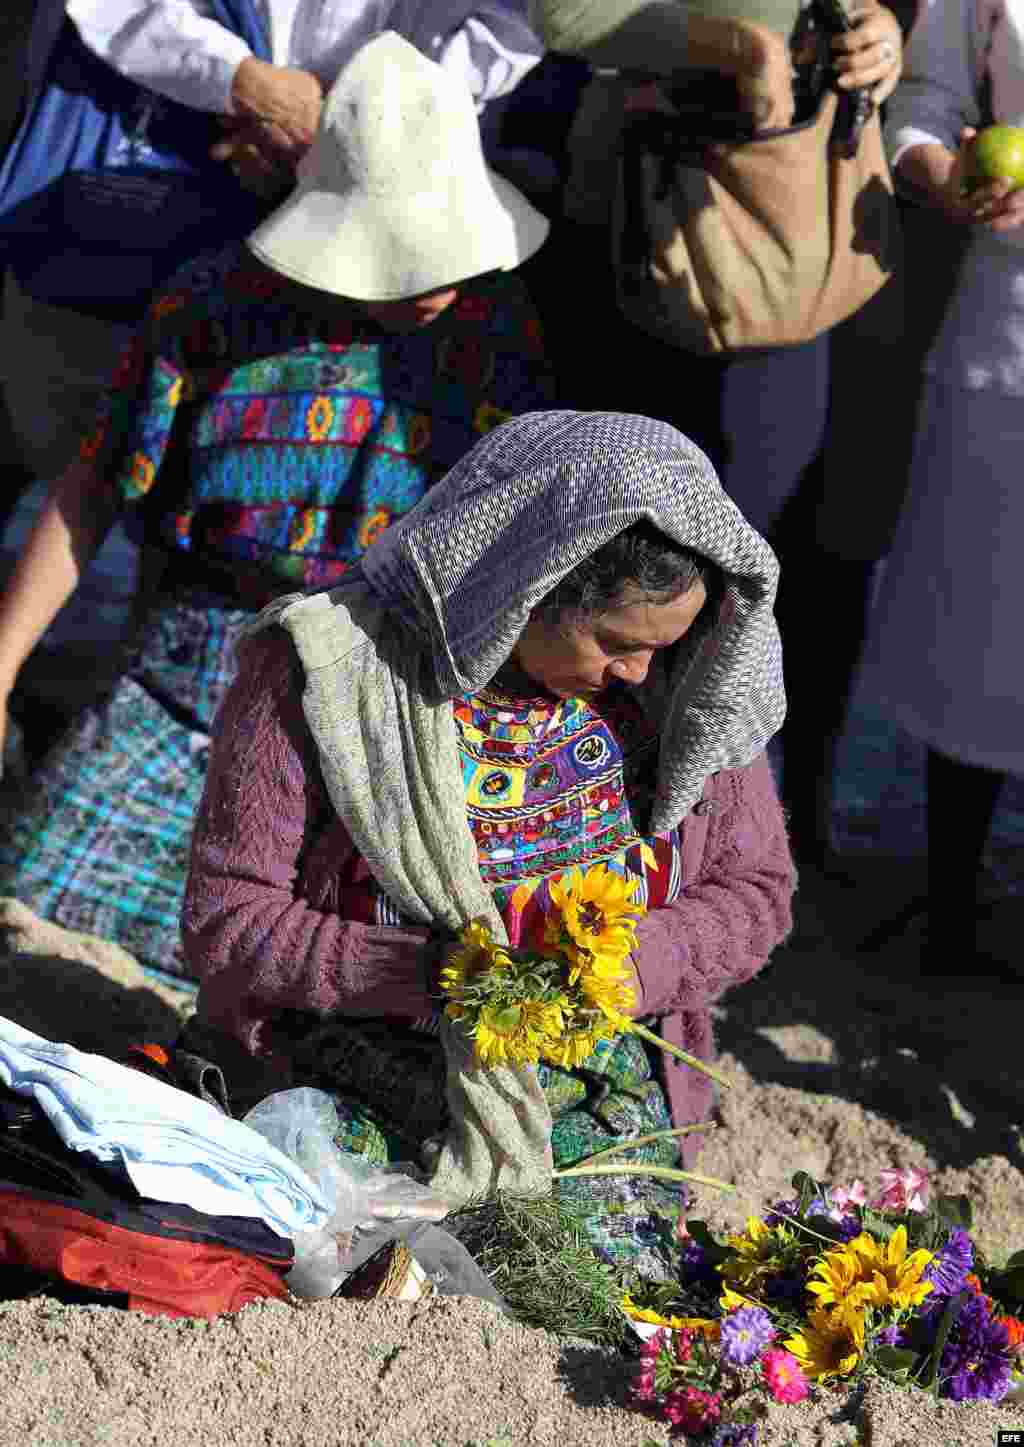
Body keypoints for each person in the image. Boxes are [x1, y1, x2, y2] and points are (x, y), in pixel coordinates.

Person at [179, 408, 797, 1273]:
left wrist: (631, 965)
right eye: (615, 643)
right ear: (523, 587)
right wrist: (428, 977)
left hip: (596, 1086)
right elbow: (227, 920)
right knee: (343, 1245)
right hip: (362, 1054)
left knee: (584, 1284)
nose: (640, 673)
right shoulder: (325, 672)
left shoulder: (687, 693)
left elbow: (756, 894)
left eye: (665, 645)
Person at [0, 33, 553, 978]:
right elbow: (93, 489)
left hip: (389, 697)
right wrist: (2, 664)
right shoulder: (211, 309)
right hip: (197, 673)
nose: (439, 282)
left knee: (354, 960)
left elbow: (523, 557)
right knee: (38, 909)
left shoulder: (495, 328)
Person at [523, 0, 905, 868]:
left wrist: (882, 37)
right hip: (657, 244)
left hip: (808, 235)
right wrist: (737, 48)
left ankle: (765, 837)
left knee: (788, 562)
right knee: (659, 569)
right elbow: (564, 13)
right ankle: (630, 834)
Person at [1, 0, 543, 485]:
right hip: (163, 195)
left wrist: (367, 124)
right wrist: (240, 85)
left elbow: (520, 21)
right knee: (99, 453)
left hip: (403, 209)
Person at [852, 0, 1024, 976]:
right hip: (1006, 335)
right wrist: (947, 178)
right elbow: (920, 102)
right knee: (979, 631)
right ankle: (949, 909)